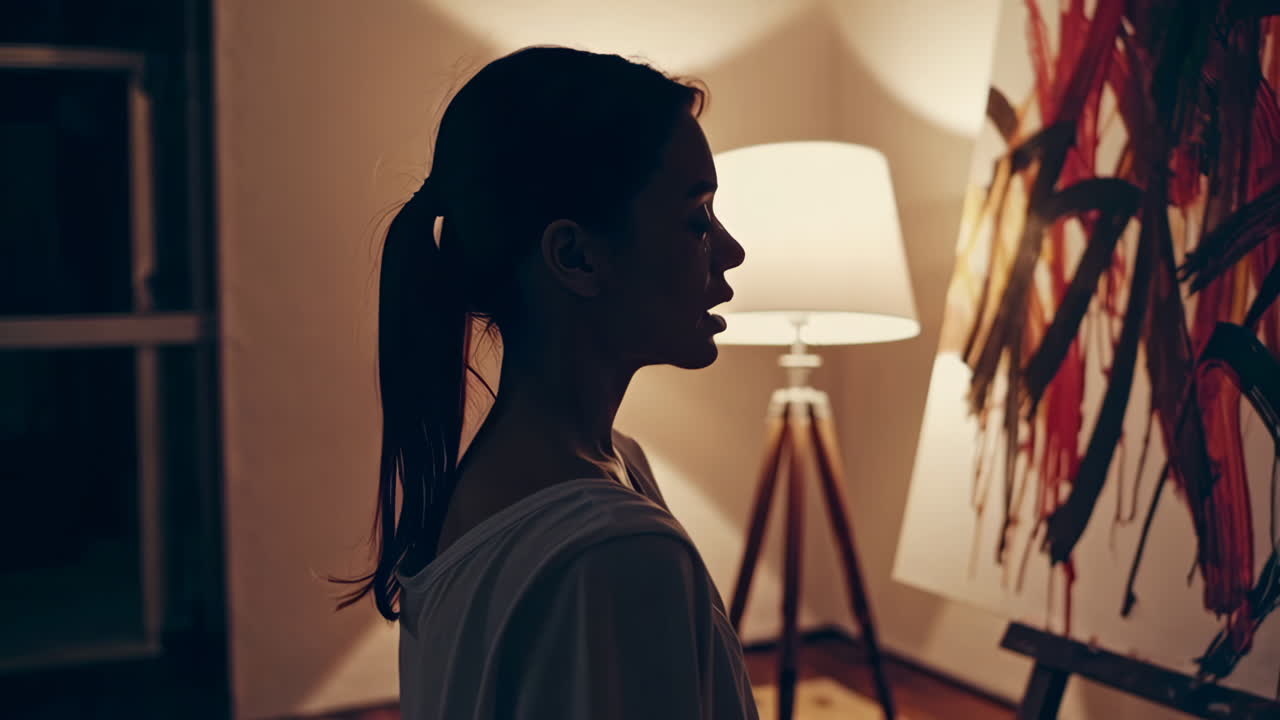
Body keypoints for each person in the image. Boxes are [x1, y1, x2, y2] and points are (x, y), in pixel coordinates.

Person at [331, 44, 755, 719]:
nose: (731, 251)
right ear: (575, 256)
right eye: (696, 218)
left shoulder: (538, 477)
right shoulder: (615, 553)